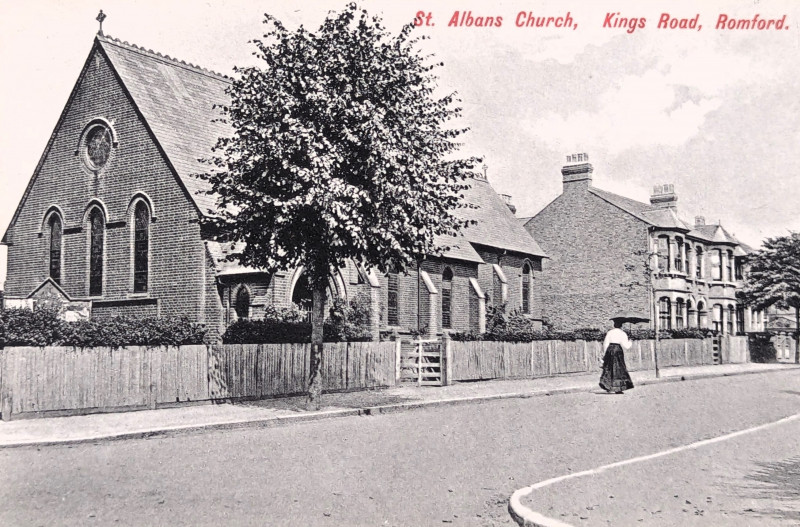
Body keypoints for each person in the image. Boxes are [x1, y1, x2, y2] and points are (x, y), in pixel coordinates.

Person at [599, 319, 634, 393]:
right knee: (619, 368)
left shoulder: (610, 332)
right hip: (618, 350)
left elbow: (605, 344)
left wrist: (604, 354)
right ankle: (618, 388)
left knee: (609, 367)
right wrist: (630, 341)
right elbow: (626, 346)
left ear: (614, 325)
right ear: (621, 325)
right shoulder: (622, 333)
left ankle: (607, 386)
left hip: (610, 350)